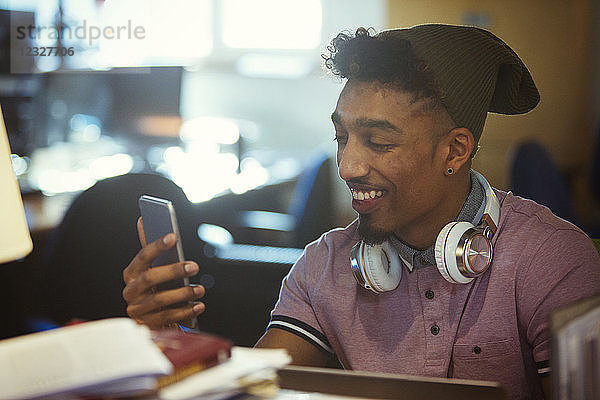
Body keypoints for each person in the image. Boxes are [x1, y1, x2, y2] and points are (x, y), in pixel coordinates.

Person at [122, 24, 600, 400]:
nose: (348, 166)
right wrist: (168, 339)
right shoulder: (324, 266)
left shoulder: (552, 262)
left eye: (380, 142)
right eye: (342, 136)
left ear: (454, 151)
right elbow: (252, 390)